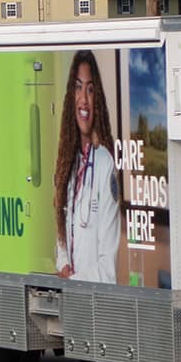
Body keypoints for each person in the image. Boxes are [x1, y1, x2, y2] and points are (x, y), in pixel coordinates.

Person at [53, 49, 121, 283]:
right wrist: (62, 265)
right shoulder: (68, 165)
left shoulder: (104, 164)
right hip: (73, 294)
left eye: (90, 90)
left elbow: (108, 267)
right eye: (78, 87)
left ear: (97, 100)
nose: (84, 98)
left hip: (93, 299)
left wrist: (74, 281)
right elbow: (62, 237)